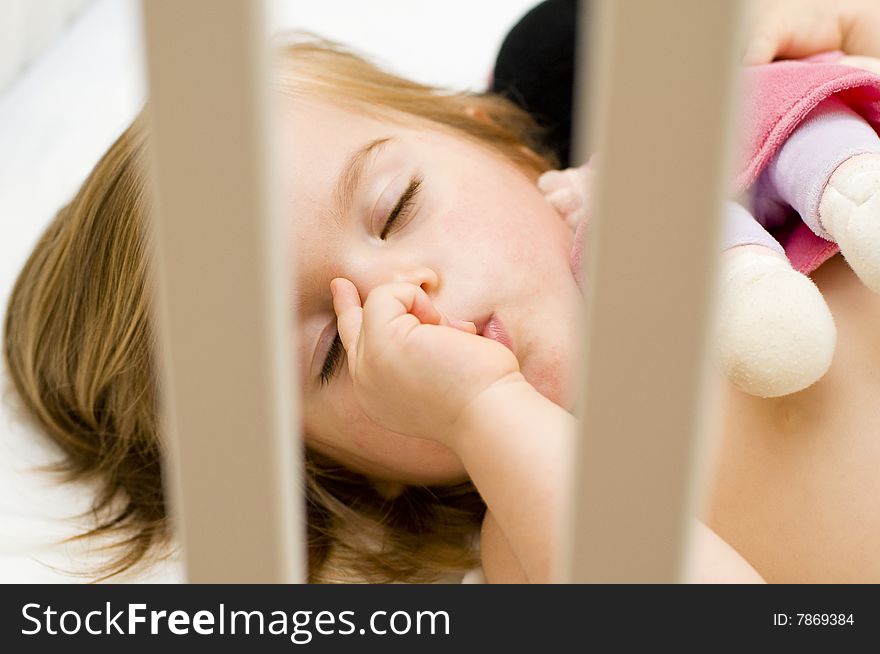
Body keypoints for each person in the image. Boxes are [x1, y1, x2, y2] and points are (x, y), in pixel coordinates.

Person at [6, 0, 880, 582]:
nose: (403, 294)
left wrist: (840, 20)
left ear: (493, 133)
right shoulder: (529, 543)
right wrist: (486, 413)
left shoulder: (745, 171)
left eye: (397, 209)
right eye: (338, 351)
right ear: (357, 478)